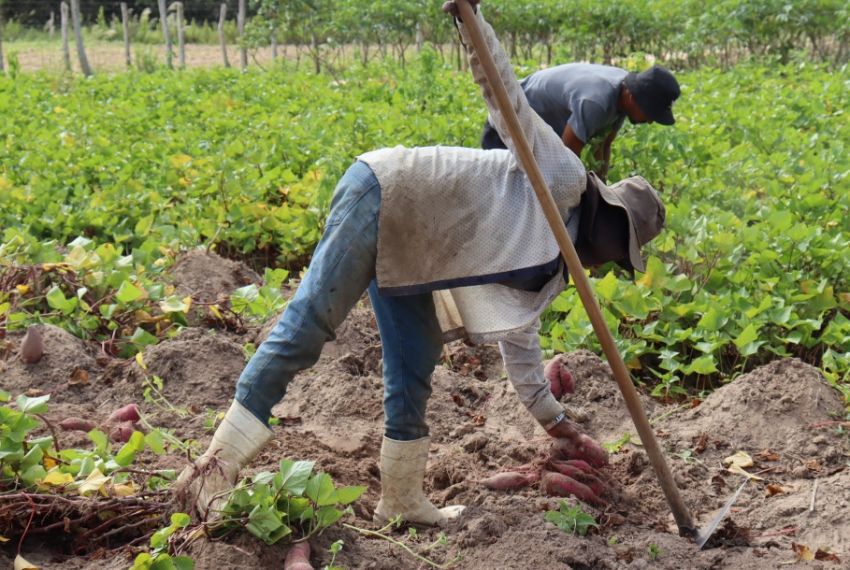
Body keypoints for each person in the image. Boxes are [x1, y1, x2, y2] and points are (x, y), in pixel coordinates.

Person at [176, 0, 666, 527]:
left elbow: (521, 347)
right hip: (389, 193)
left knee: (414, 360)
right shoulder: (565, 181)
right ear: (610, 226)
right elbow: (511, 108)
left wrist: (557, 423)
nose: (607, 267)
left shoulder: (553, 268)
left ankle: (402, 499)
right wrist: (471, 21)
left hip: (420, 246)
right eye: (619, 255)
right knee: (311, 324)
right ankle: (214, 468)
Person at [480, 62, 680, 180]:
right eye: (650, 113)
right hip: (508, 127)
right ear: (632, 97)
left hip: (540, 138)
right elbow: (567, 156)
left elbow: (603, 145)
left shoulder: (623, 95)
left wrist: (601, 189)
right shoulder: (597, 101)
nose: (650, 121)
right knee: (508, 198)